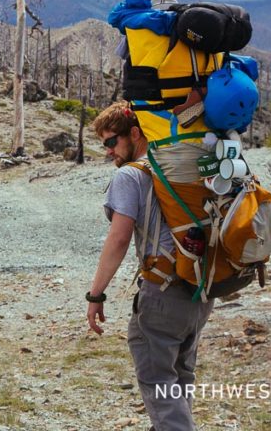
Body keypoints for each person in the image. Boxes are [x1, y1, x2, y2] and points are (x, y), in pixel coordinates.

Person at [85, 101, 213, 431]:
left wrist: (95, 293)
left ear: (136, 134)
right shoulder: (176, 166)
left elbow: (119, 238)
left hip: (163, 292)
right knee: (179, 377)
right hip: (199, 288)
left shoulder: (130, 175)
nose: (109, 151)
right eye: (105, 145)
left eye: (112, 142)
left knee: (158, 382)